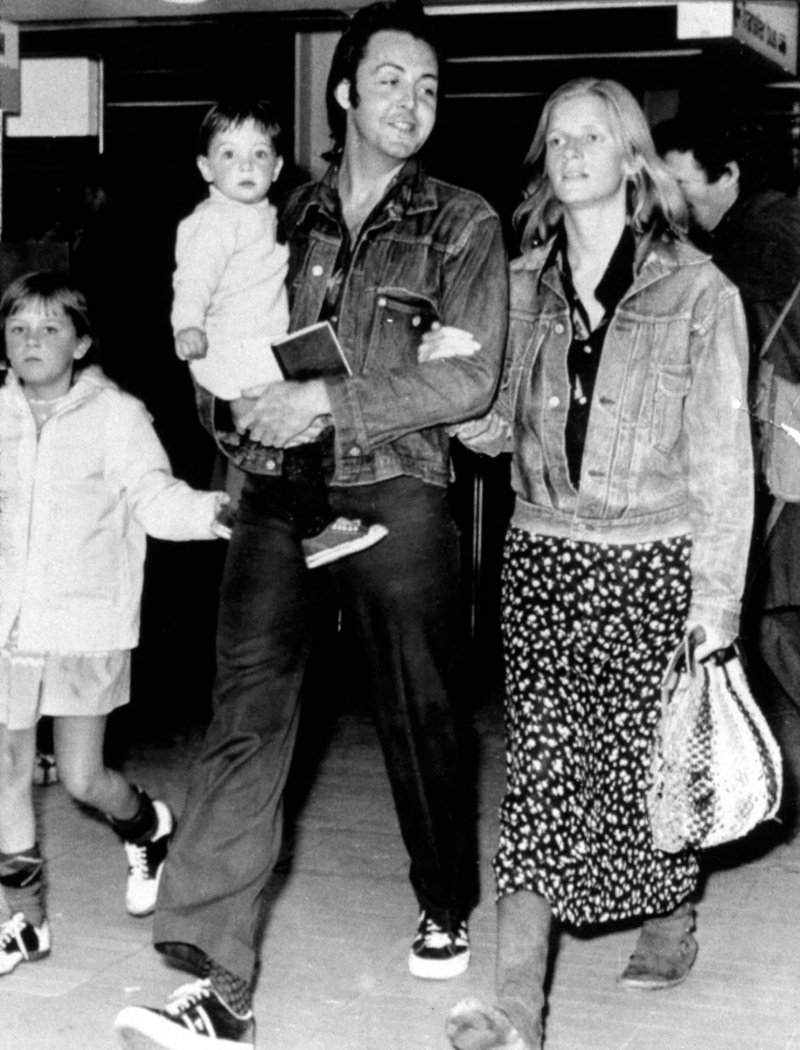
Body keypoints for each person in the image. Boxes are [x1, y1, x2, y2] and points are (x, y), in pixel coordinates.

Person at [114, 3, 508, 1049]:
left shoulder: (461, 221)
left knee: (418, 714)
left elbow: (468, 376)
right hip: (276, 491)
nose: (409, 103)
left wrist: (327, 403)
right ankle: (215, 979)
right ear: (341, 93)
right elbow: (216, 351)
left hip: (395, 490)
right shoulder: (273, 212)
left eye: (426, 87)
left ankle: (442, 894)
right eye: (388, 81)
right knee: (244, 713)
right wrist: (231, 409)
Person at [432, 78, 753, 1050]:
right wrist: (453, 374)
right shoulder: (520, 284)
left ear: (627, 159)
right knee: (540, 776)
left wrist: (717, 603)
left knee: (651, 764)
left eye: (590, 137)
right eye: (555, 139)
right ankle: (514, 1010)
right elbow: (490, 433)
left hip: (650, 557)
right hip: (542, 559)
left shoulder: (696, 290)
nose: (569, 152)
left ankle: (670, 916)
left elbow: (721, 462)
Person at [0, 272, 228, 975]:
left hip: (83, 623)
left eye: (49, 329)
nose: (32, 342)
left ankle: (146, 827)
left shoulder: (116, 416)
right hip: (7, 624)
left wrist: (217, 514)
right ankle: (22, 921)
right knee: (6, 767)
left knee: (80, 777)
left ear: (83, 341)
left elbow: (154, 499)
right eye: (18, 329)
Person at [172, 98, 387, 568]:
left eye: (260, 155)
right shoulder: (214, 221)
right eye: (229, 154)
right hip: (230, 348)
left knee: (277, 423)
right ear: (205, 168)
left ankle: (232, 508)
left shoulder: (261, 212)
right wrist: (186, 324)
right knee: (304, 424)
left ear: (277, 167)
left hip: (250, 345)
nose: (246, 165)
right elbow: (191, 279)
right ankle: (316, 528)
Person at [654, 111, 800, 741]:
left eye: (680, 185)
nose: (670, 202)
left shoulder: (766, 232)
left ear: (729, 176)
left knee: (771, 616)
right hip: (780, 452)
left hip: (787, 454)